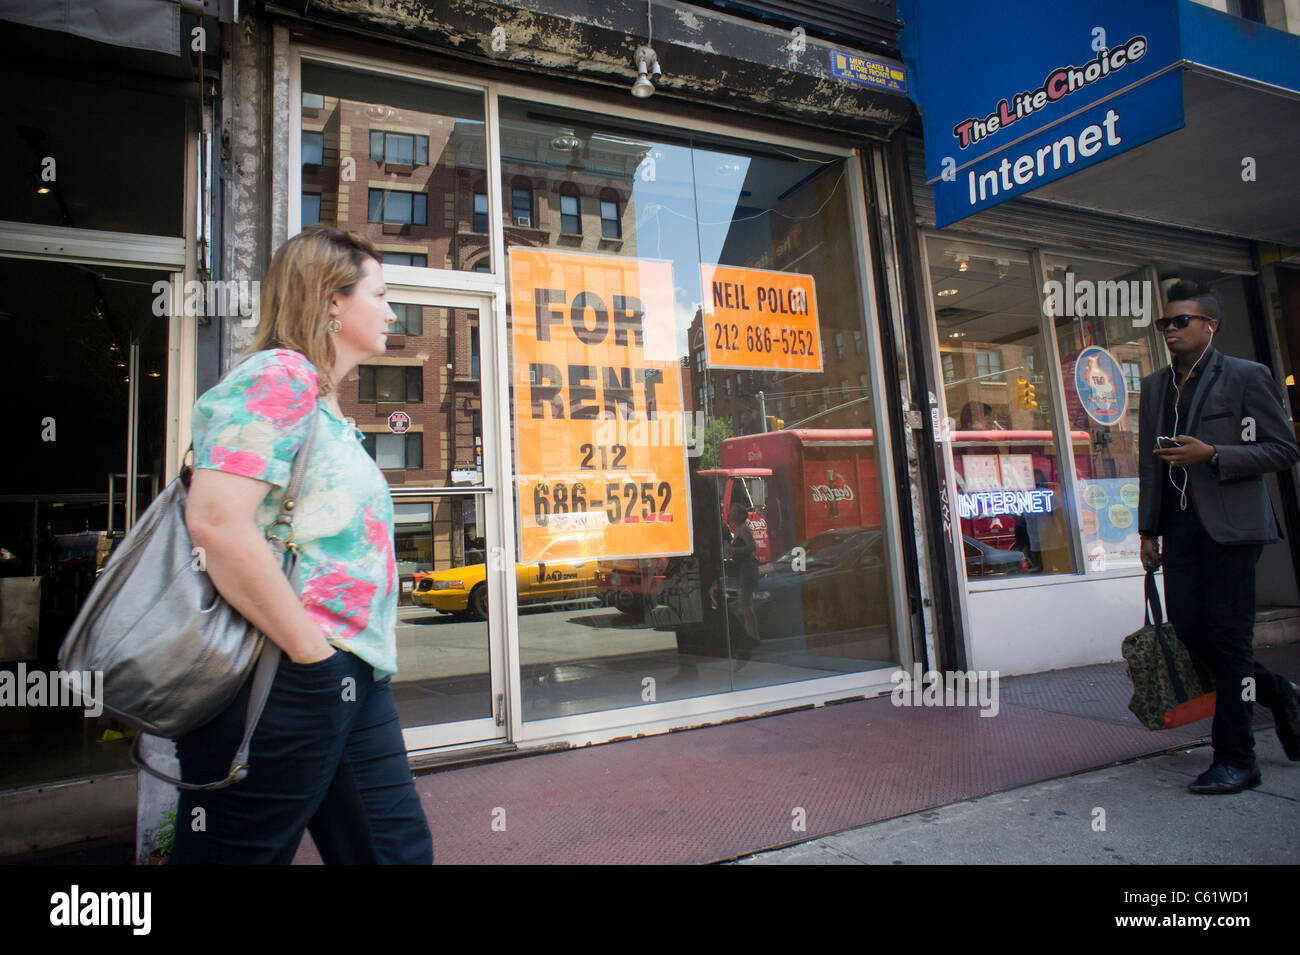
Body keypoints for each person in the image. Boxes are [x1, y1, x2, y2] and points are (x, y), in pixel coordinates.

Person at [170, 228, 433, 862]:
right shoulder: (279, 377)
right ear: (333, 302)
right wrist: (311, 653)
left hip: (353, 671)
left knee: (395, 852)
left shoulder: (323, 399)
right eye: (381, 293)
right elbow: (215, 522)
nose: (393, 311)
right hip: (288, 671)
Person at [1139, 279, 1300, 795]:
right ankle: (1279, 692)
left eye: (1181, 321)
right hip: (1180, 528)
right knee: (1191, 634)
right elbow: (1149, 464)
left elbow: (1282, 449)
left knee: (1230, 642)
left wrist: (1214, 455)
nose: (1170, 330)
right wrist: (1147, 529)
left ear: (1211, 325)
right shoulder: (1155, 387)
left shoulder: (1247, 377)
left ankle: (1237, 757)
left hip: (1233, 529)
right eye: (1165, 322)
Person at [727, 501, 761, 660]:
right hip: (742, 568)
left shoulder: (744, 529)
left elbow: (752, 547)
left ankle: (753, 636)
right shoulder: (738, 529)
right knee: (745, 604)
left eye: (733, 510)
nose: (730, 513)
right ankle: (752, 636)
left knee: (745, 604)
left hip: (747, 568)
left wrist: (733, 549)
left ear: (739, 514)